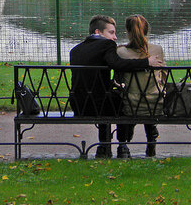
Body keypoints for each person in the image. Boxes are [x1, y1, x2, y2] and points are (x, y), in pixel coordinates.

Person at [69, 15, 163, 159]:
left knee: (106, 97)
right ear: (98, 32)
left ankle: (104, 146)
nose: (114, 37)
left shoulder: (75, 50)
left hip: (78, 104)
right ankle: (122, 145)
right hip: (98, 105)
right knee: (121, 101)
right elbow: (117, 64)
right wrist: (146, 62)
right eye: (111, 32)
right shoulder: (106, 45)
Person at [115, 14, 166, 158]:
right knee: (149, 94)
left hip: (130, 104)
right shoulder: (157, 50)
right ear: (147, 30)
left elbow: (117, 79)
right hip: (155, 103)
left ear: (128, 32)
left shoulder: (120, 52)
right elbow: (163, 76)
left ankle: (123, 144)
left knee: (124, 98)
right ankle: (151, 139)